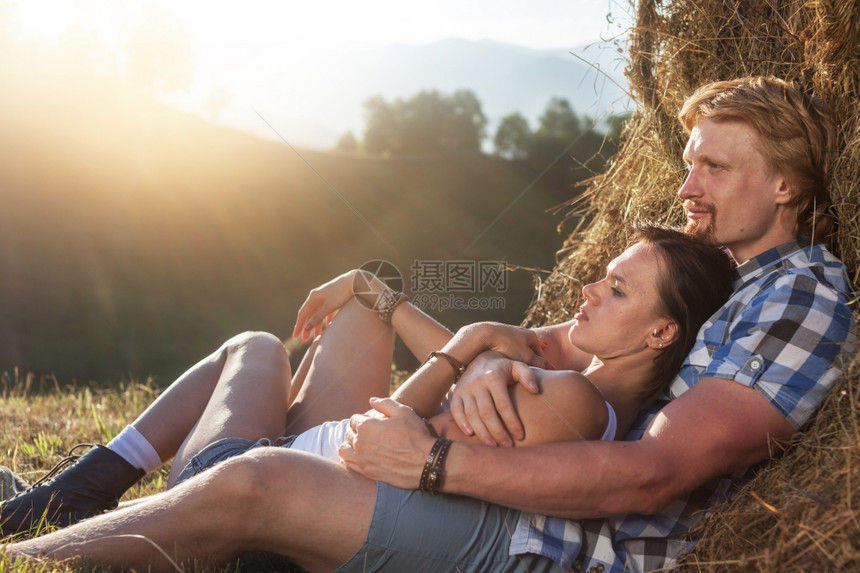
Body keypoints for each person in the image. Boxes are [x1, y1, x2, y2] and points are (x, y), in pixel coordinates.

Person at [3, 76, 857, 573]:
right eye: (687, 163)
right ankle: (79, 501)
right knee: (280, 344)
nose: (687, 187)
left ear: (785, 184)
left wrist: (441, 453)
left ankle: (37, 552)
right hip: (456, 469)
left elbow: (656, 470)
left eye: (713, 165)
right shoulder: (713, 278)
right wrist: (469, 338)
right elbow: (546, 344)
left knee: (258, 476)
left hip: (529, 529)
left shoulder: (797, 293)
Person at [1, 223, 732, 533]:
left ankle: (85, 488)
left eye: (617, 289)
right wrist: (372, 286)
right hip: (320, 448)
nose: (589, 292)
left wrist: (475, 345)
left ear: (662, 330)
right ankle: (75, 491)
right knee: (365, 302)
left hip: (278, 471)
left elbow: (404, 415)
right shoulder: (583, 364)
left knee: (255, 346)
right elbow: (457, 364)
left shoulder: (570, 393)